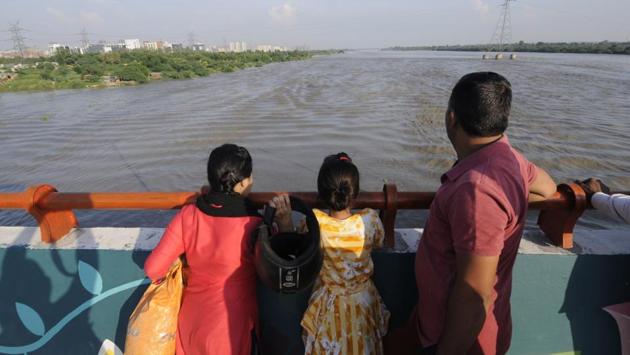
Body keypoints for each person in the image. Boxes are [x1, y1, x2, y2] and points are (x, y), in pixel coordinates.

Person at [412, 72, 557, 355]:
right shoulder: (509, 158)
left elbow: (473, 294)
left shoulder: (477, 190)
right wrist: (504, 201)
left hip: (458, 342)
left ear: (451, 118)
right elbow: (548, 187)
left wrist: (493, 202)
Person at [144, 143, 261, 355]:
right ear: (243, 182)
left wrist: (180, 261)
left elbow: (153, 269)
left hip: (191, 325)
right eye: (251, 177)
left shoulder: (188, 215)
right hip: (232, 329)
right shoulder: (253, 223)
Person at [271, 153, 390, 355]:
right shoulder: (369, 220)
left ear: (322, 193)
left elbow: (298, 246)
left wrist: (285, 223)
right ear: (355, 192)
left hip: (328, 308)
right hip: (363, 304)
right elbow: (379, 242)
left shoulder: (315, 223)